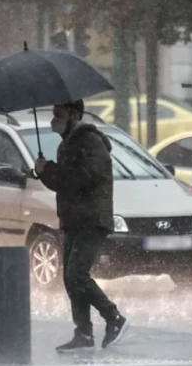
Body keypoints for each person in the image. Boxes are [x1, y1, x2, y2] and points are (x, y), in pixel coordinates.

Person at [34, 100, 129, 352]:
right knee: (69, 278)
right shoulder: (68, 143)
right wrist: (43, 172)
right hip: (73, 220)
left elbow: (82, 179)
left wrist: (51, 170)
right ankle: (83, 333)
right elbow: (63, 183)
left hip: (91, 219)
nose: (54, 119)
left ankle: (113, 317)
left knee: (77, 274)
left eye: (59, 114)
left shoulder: (89, 141)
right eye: (53, 114)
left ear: (74, 115)